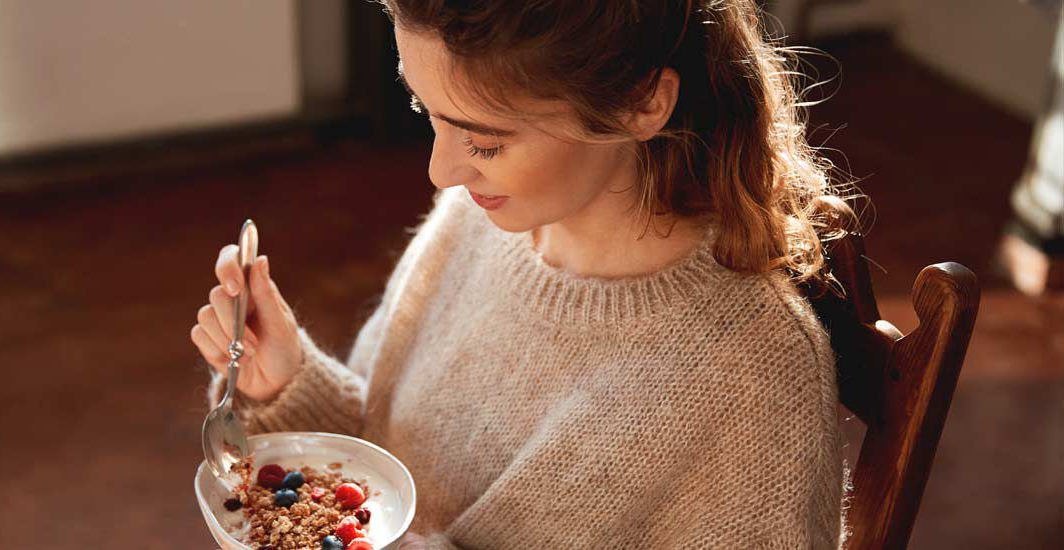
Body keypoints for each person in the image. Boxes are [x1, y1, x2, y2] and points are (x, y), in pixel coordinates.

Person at [191, 1, 856, 547]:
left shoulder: (753, 375)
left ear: (641, 104)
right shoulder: (475, 222)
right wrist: (288, 381)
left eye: (484, 140)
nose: (441, 171)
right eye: (428, 113)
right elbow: (390, 474)